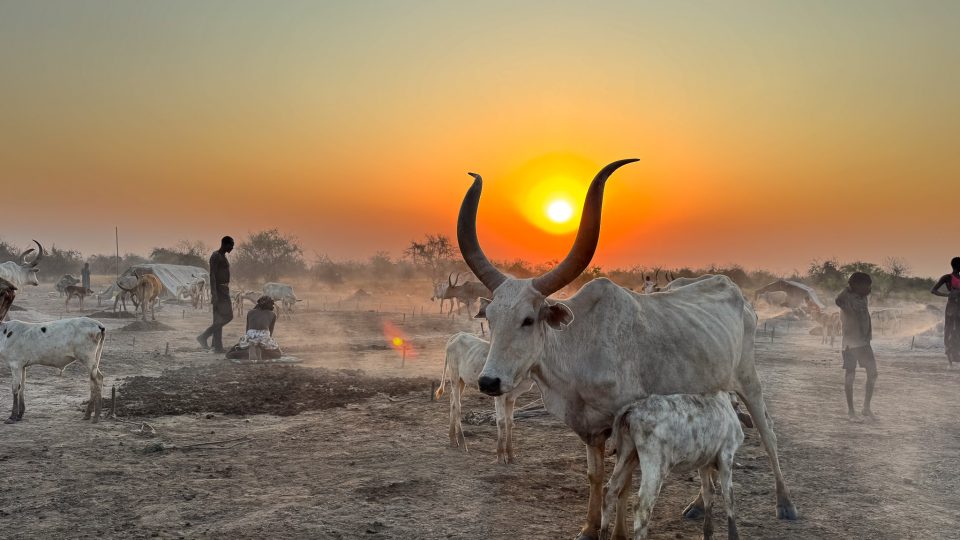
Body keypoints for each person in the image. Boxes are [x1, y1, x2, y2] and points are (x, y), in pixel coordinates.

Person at [836, 272, 877, 420]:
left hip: (864, 343)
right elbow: (838, 300)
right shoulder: (846, 298)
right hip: (850, 344)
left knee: (873, 374)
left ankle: (866, 408)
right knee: (850, 376)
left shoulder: (863, 297)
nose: (869, 288)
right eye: (867, 285)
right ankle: (851, 411)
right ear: (856, 285)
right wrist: (849, 288)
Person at [197, 236, 235, 353]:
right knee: (228, 316)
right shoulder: (216, 256)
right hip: (219, 291)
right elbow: (212, 275)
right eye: (231, 245)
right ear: (225, 244)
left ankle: (217, 346)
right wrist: (214, 294)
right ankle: (204, 337)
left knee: (218, 319)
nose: (232, 248)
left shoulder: (222, 256)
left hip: (223, 289)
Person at [226, 295, 282, 361]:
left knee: (229, 354)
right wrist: (267, 345)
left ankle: (248, 351)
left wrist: (246, 342)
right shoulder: (273, 314)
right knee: (278, 354)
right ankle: (261, 351)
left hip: (251, 335)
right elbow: (270, 333)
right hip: (264, 335)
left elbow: (247, 331)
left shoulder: (250, 312)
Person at [931, 256, 960, 368]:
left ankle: (956, 357)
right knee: (950, 331)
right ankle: (950, 361)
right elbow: (933, 290)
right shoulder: (947, 277)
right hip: (952, 308)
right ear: (957, 266)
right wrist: (947, 294)